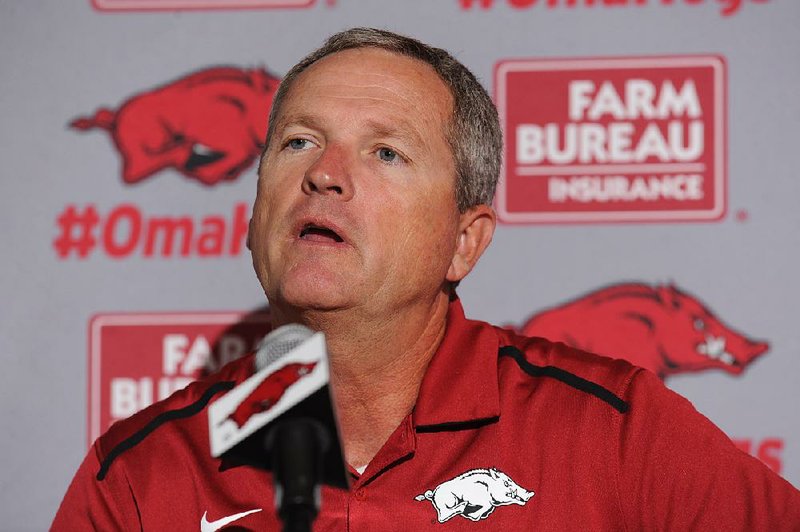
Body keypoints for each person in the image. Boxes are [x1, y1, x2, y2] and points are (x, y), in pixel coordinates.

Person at [53, 27, 799, 530]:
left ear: (463, 243)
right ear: (252, 213)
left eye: (385, 154)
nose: (323, 175)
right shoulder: (143, 474)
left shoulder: (614, 434)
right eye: (299, 141)